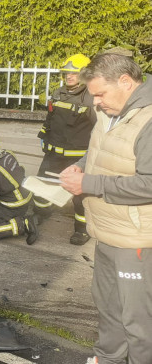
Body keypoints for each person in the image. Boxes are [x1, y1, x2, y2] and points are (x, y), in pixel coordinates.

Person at [59, 51, 152, 364]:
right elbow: (100, 152)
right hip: (108, 232)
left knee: (138, 321)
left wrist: (89, 185)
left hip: (137, 241)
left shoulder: (149, 120)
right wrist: (80, 167)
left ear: (125, 82)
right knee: (108, 308)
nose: (95, 102)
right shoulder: (110, 112)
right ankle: (108, 359)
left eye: (99, 94)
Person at [36, 53, 96, 245]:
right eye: (66, 73)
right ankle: (40, 214)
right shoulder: (58, 93)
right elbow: (50, 119)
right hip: (53, 153)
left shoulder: (91, 99)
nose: (69, 77)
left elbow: (98, 130)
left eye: (73, 73)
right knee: (43, 185)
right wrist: (44, 136)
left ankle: (81, 229)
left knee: (80, 195)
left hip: (77, 158)